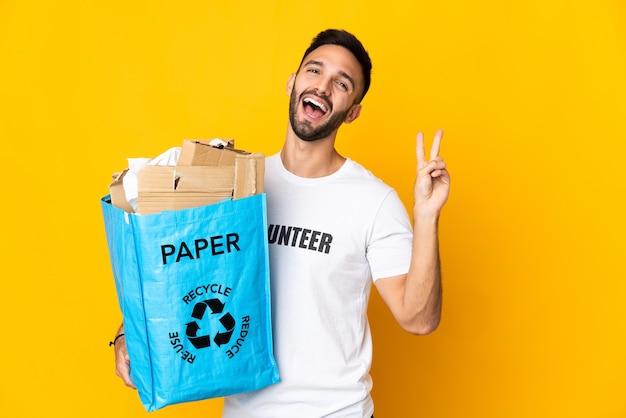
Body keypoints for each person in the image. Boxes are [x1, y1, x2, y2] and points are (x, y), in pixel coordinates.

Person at [112, 28, 450, 418]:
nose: (322, 87)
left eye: (341, 83)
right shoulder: (238, 185)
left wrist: (426, 215)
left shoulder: (373, 201)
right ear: (292, 82)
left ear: (353, 110)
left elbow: (419, 318)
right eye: (314, 71)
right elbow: (177, 270)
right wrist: (126, 334)